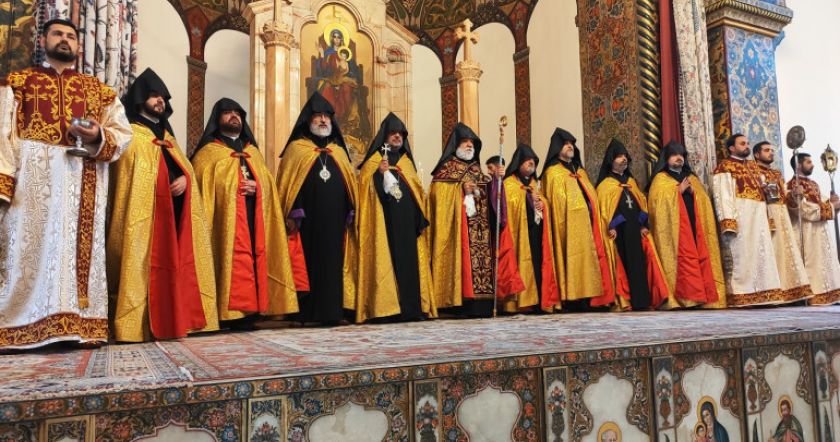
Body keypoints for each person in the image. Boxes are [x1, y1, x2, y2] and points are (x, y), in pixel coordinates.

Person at [0, 19, 132, 349]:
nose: (65, 40)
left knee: (76, 251)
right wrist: (5, 183)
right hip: (32, 182)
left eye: (71, 36)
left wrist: (97, 135)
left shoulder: (98, 91)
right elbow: (4, 134)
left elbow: (122, 134)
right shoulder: (18, 83)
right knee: (28, 250)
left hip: (81, 179)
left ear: (78, 46)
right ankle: (20, 326)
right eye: (58, 34)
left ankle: (80, 325)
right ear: (42, 40)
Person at [108, 68, 218, 342]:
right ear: (140, 98)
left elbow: (185, 170)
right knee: (142, 265)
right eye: (154, 95)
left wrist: (185, 180)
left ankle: (179, 320)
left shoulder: (169, 138)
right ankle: (136, 326)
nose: (160, 101)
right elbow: (130, 179)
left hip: (176, 218)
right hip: (146, 221)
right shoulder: (131, 134)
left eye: (163, 97)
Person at [192, 98, 298, 327]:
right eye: (228, 113)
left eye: (238, 113)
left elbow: (268, 186)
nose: (234, 116)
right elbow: (203, 192)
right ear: (217, 118)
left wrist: (258, 187)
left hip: (254, 218)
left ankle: (254, 311)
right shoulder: (207, 154)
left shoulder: (253, 153)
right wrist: (231, 188)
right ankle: (228, 314)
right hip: (225, 222)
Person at [276, 92, 358, 324]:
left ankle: (334, 313)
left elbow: (349, 183)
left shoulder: (339, 151)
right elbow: (290, 185)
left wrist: (351, 208)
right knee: (307, 265)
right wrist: (294, 211)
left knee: (334, 265)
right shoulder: (296, 150)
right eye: (318, 116)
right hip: (306, 222)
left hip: (336, 221)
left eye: (326, 116)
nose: (323, 120)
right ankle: (306, 313)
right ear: (308, 120)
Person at [428, 122, 524, 316]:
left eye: (472, 142)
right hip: (458, 233)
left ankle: (481, 304)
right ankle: (456, 303)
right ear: (456, 145)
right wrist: (460, 190)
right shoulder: (446, 171)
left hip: (481, 235)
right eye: (465, 141)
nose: (469, 145)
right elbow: (438, 196)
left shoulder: (476, 170)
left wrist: (497, 181)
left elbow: (492, 199)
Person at [355, 113, 435, 322]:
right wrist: (379, 175)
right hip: (384, 223)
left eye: (400, 133)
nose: (397, 136)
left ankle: (411, 310)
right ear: (385, 136)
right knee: (386, 263)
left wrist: (419, 217)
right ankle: (387, 310)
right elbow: (366, 193)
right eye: (393, 133)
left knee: (410, 265)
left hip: (407, 225)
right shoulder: (374, 162)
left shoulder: (406, 163)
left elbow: (417, 192)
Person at [541, 128, 614, 309]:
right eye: (566, 144)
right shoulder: (552, 173)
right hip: (567, 226)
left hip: (589, 225)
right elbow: (555, 202)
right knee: (571, 258)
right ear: (557, 147)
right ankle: (572, 299)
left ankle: (593, 299)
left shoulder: (580, 171)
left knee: (592, 259)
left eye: (571, 144)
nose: (570, 146)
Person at [647, 141, 726, 309]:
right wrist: (677, 191)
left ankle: (703, 298)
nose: (679, 158)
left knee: (701, 258)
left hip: (695, 228)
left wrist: (694, 193)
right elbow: (656, 204)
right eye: (674, 155)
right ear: (666, 158)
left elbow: (704, 201)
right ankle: (686, 298)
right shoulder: (660, 179)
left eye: (682, 155)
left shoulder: (691, 178)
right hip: (676, 233)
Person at [595, 139, 669, 310]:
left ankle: (643, 301)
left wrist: (643, 225)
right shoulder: (605, 185)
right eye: (619, 156)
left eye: (625, 156)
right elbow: (603, 210)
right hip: (619, 233)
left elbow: (640, 203)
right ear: (611, 160)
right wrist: (612, 225)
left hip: (635, 229)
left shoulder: (631, 181)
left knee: (640, 264)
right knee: (623, 265)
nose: (624, 159)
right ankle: (626, 300)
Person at [713, 133, 783, 306]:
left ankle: (765, 294)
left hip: (759, 214)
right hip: (741, 215)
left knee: (762, 254)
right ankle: (743, 294)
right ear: (732, 148)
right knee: (743, 255)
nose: (747, 146)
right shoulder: (725, 166)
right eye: (742, 143)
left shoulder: (753, 166)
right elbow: (723, 194)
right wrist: (728, 221)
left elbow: (764, 192)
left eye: (747, 143)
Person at [501, 143, 560, 313]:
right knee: (522, 263)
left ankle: (541, 301)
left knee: (539, 264)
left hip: (537, 233)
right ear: (518, 162)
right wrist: (527, 197)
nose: (531, 163)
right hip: (519, 233)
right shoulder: (509, 184)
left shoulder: (536, 183)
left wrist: (541, 203)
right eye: (527, 160)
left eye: (533, 160)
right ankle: (523, 302)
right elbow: (508, 204)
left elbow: (545, 202)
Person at [753, 142, 812, 303]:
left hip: (782, 215)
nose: (771, 153)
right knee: (772, 252)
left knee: (785, 253)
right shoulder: (753, 171)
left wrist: (795, 195)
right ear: (757, 154)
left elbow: (786, 198)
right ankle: (773, 291)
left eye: (772, 150)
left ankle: (788, 291)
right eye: (766, 150)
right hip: (766, 214)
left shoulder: (777, 173)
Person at [787, 153, 840, 305]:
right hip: (806, 232)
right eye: (808, 162)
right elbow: (802, 209)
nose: (813, 165)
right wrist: (831, 207)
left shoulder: (814, 184)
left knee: (825, 263)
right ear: (798, 165)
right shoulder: (792, 185)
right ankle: (814, 296)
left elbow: (825, 203)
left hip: (820, 231)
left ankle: (830, 295)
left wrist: (834, 204)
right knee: (812, 264)